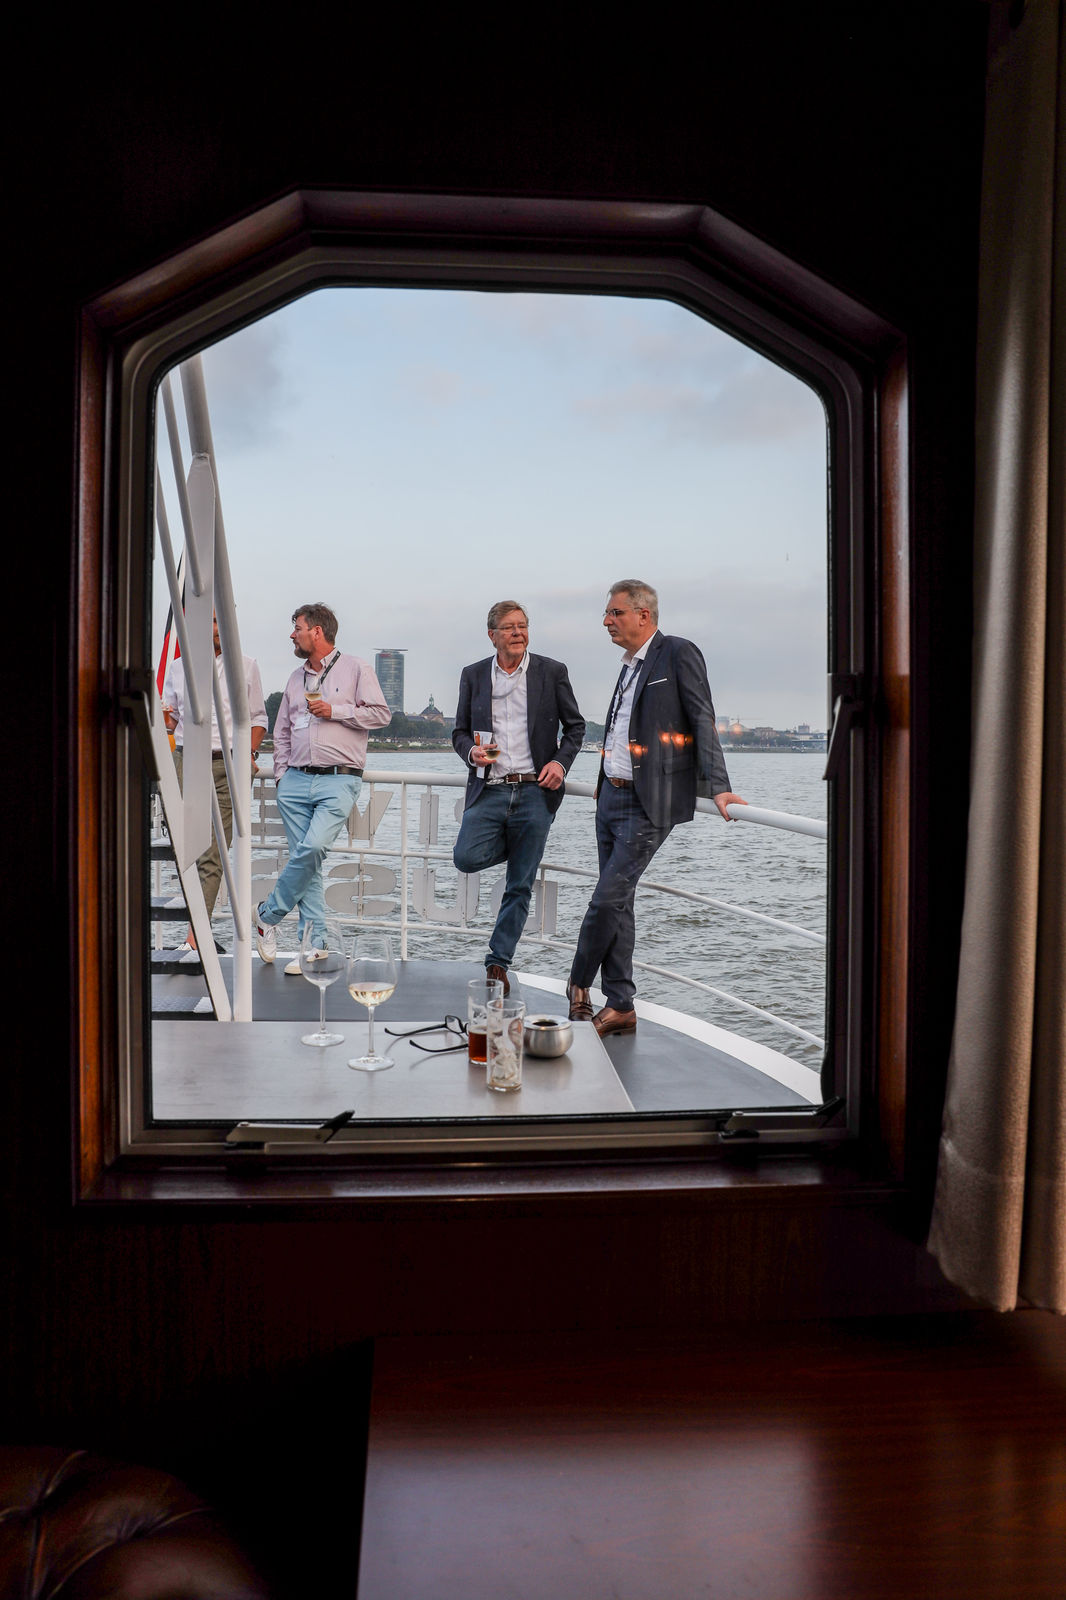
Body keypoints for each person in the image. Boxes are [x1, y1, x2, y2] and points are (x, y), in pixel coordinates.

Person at [567, 580, 746, 1037]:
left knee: (606, 899)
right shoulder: (627, 665)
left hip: (649, 802)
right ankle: (622, 1003)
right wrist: (606, 775)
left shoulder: (678, 653)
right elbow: (621, 725)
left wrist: (719, 788)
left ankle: (577, 986)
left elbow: (702, 717)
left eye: (615, 613)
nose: (606, 621)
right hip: (609, 793)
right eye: (607, 614)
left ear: (643, 615)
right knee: (619, 900)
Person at [452, 600, 585, 995]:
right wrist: (470, 753)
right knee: (466, 857)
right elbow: (459, 731)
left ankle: (498, 962)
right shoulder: (474, 675)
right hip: (490, 787)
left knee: (519, 885)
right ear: (492, 634)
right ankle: (523, 842)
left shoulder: (552, 671)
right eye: (508, 627)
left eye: (523, 626)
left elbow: (575, 728)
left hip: (535, 791)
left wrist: (560, 764)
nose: (517, 633)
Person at [252, 604, 391, 962]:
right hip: (295, 781)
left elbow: (380, 714)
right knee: (307, 863)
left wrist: (336, 711)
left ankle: (267, 915)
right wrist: (282, 775)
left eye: (296, 627)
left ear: (317, 631)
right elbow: (281, 730)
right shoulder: (294, 679)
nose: (292, 634)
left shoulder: (356, 667)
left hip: (338, 779)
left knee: (312, 850)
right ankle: (315, 945)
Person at [162, 616, 268, 951]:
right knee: (186, 846)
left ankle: (196, 935)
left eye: (223, 620)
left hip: (227, 764)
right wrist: (157, 711)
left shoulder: (247, 667)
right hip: (185, 761)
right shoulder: (178, 668)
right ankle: (197, 931)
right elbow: (171, 717)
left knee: (214, 851)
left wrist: (249, 753)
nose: (218, 627)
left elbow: (259, 717)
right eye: (210, 620)